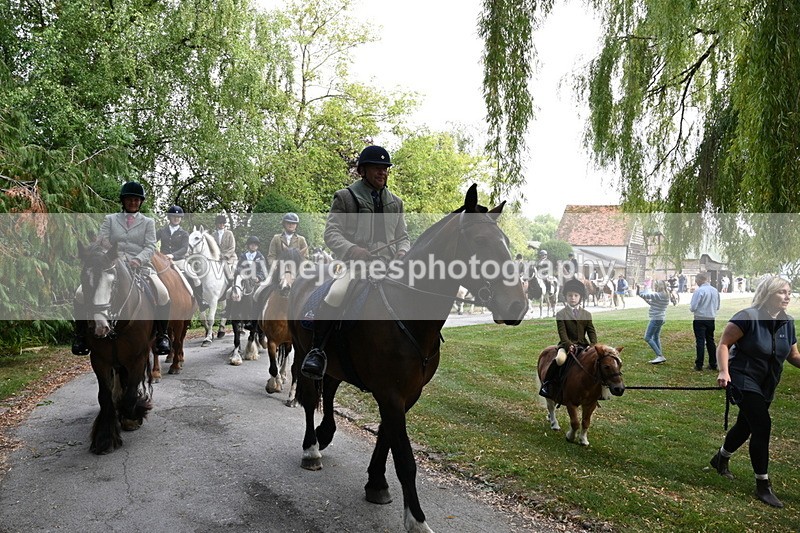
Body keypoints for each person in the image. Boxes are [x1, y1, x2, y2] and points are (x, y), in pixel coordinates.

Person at [300, 145, 410, 380]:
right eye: (377, 168)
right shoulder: (345, 197)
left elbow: (403, 237)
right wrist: (353, 250)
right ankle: (317, 351)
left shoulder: (396, 203)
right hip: (354, 265)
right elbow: (331, 233)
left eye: (385, 169)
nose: (382, 173)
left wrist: (402, 253)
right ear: (363, 170)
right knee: (337, 293)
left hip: (390, 266)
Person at [710, 275, 800, 508]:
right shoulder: (747, 317)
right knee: (762, 424)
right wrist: (724, 371)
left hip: (767, 383)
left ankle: (721, 458)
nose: (787, 296)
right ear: (767, 293)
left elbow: (793, 356)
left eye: (789, 292)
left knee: (745, 425)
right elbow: (723, 344)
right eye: (781, 292)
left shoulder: (787, 322)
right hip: (742, 377)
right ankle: (763, 484)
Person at [72, 181, 171, 356]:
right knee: (80, 293)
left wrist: (138, 260)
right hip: (111, 264)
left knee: (163, 293)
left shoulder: (148, 222)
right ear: (123, 201)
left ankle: (162, 336)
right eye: (129, 199)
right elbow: (102, 241)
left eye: (136, 200)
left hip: (139, 266)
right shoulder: (110, 219)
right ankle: (80, 336)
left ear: (140, 202)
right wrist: (113, 256)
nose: (133, 202)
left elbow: (150, 246)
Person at [539, 278, 598, 399]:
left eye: (576, 295)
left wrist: (593, 345)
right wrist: (568, 344)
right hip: (566, 345)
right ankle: (548, 384)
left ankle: (598, 388)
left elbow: (591, 331)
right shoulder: (561, 314)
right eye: (570, 295)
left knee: (596, 362)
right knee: (560, 359)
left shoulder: (586, 314)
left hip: (583, 345)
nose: (573, 298)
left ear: (580, 297)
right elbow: (562, 332)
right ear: (565, 297)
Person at [155, 205, 208, 311]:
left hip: (179, 260)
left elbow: (184, 249)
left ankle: (201, 301)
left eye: (178, 217)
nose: (176, 218)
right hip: (163, 260)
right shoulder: (162, 231)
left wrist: (173, 255)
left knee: (195, 277)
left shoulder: (184, 233)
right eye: (174, 216)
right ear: (169, 217)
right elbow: (152, 243)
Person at [690, 272, 721, 370]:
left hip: (700, 318)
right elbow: (718, 306)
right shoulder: (715, 290)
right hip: (711, 318)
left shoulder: (699, 291)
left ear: (699, 280)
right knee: (710, 340)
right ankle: (713, 363)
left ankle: (699, 364)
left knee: (700, 341)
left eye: (696, 280)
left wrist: (692, 308)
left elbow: (693, 307)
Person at [639, 280, 670, 364]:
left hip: (656, 318)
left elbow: (643, 295)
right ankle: (659, 356)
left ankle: (660, 356)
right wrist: (645, 299)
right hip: (661, 318)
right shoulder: (666, 294)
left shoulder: (658, 295)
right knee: (656, 337)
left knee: (647, 337)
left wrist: (640, 289)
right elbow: (652, 303)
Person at [213, 214, 237, 282]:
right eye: (220, 223)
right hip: (218, 257)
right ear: (217, 224)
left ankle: (230, 278)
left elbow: (232, 247)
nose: (221, 224)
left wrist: (226, 256)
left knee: (224, 263)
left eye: (223, 223)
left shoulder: (229, 233)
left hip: (229, 257)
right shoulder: (213, 235)